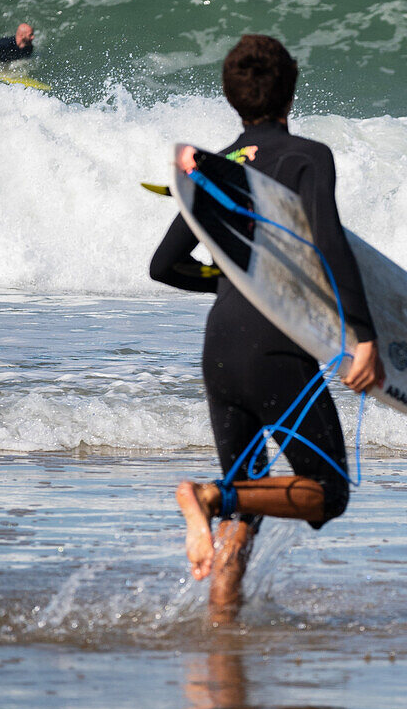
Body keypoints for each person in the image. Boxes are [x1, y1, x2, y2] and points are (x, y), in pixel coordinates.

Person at [150, 35, 383, 620]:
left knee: (245, 504)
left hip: (220, 347)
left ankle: (221, 625)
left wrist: (232, 283)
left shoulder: (219, 166)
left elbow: (164, 265)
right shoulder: (307, 157)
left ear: (231, 99)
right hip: (274, 349)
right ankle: (204, 495)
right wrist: (364, 334)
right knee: (326, 496)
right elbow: (328, 245)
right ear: (292, 89)